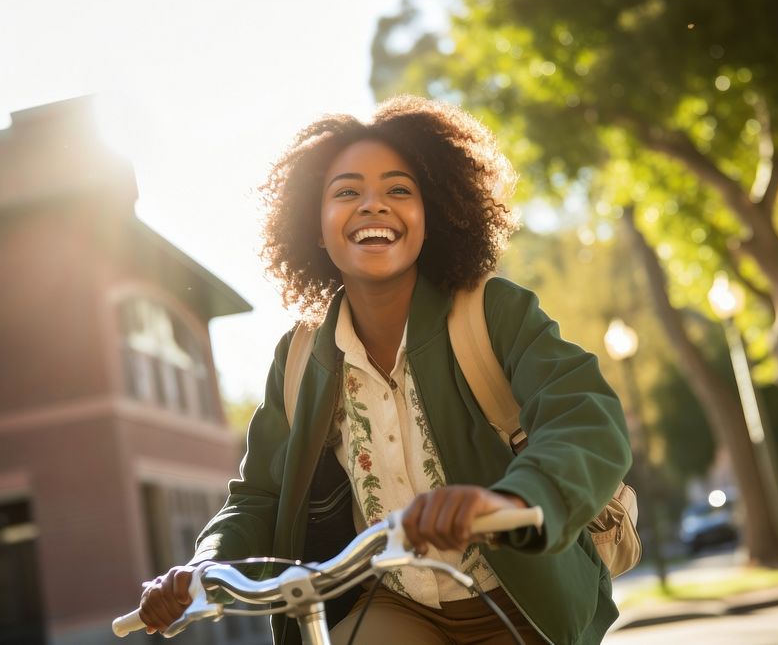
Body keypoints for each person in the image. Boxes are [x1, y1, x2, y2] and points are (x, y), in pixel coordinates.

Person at [136, 95, 631, 644]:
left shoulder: (492, 311)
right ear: (316, 228)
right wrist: (203, 569)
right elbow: (258, 496)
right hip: (399, 605)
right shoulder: (299, 357)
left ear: (431, 218)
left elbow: (585, 419)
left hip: (521, 600)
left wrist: (510, 499)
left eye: (399, 190)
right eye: (346, 191)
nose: (373, 205)